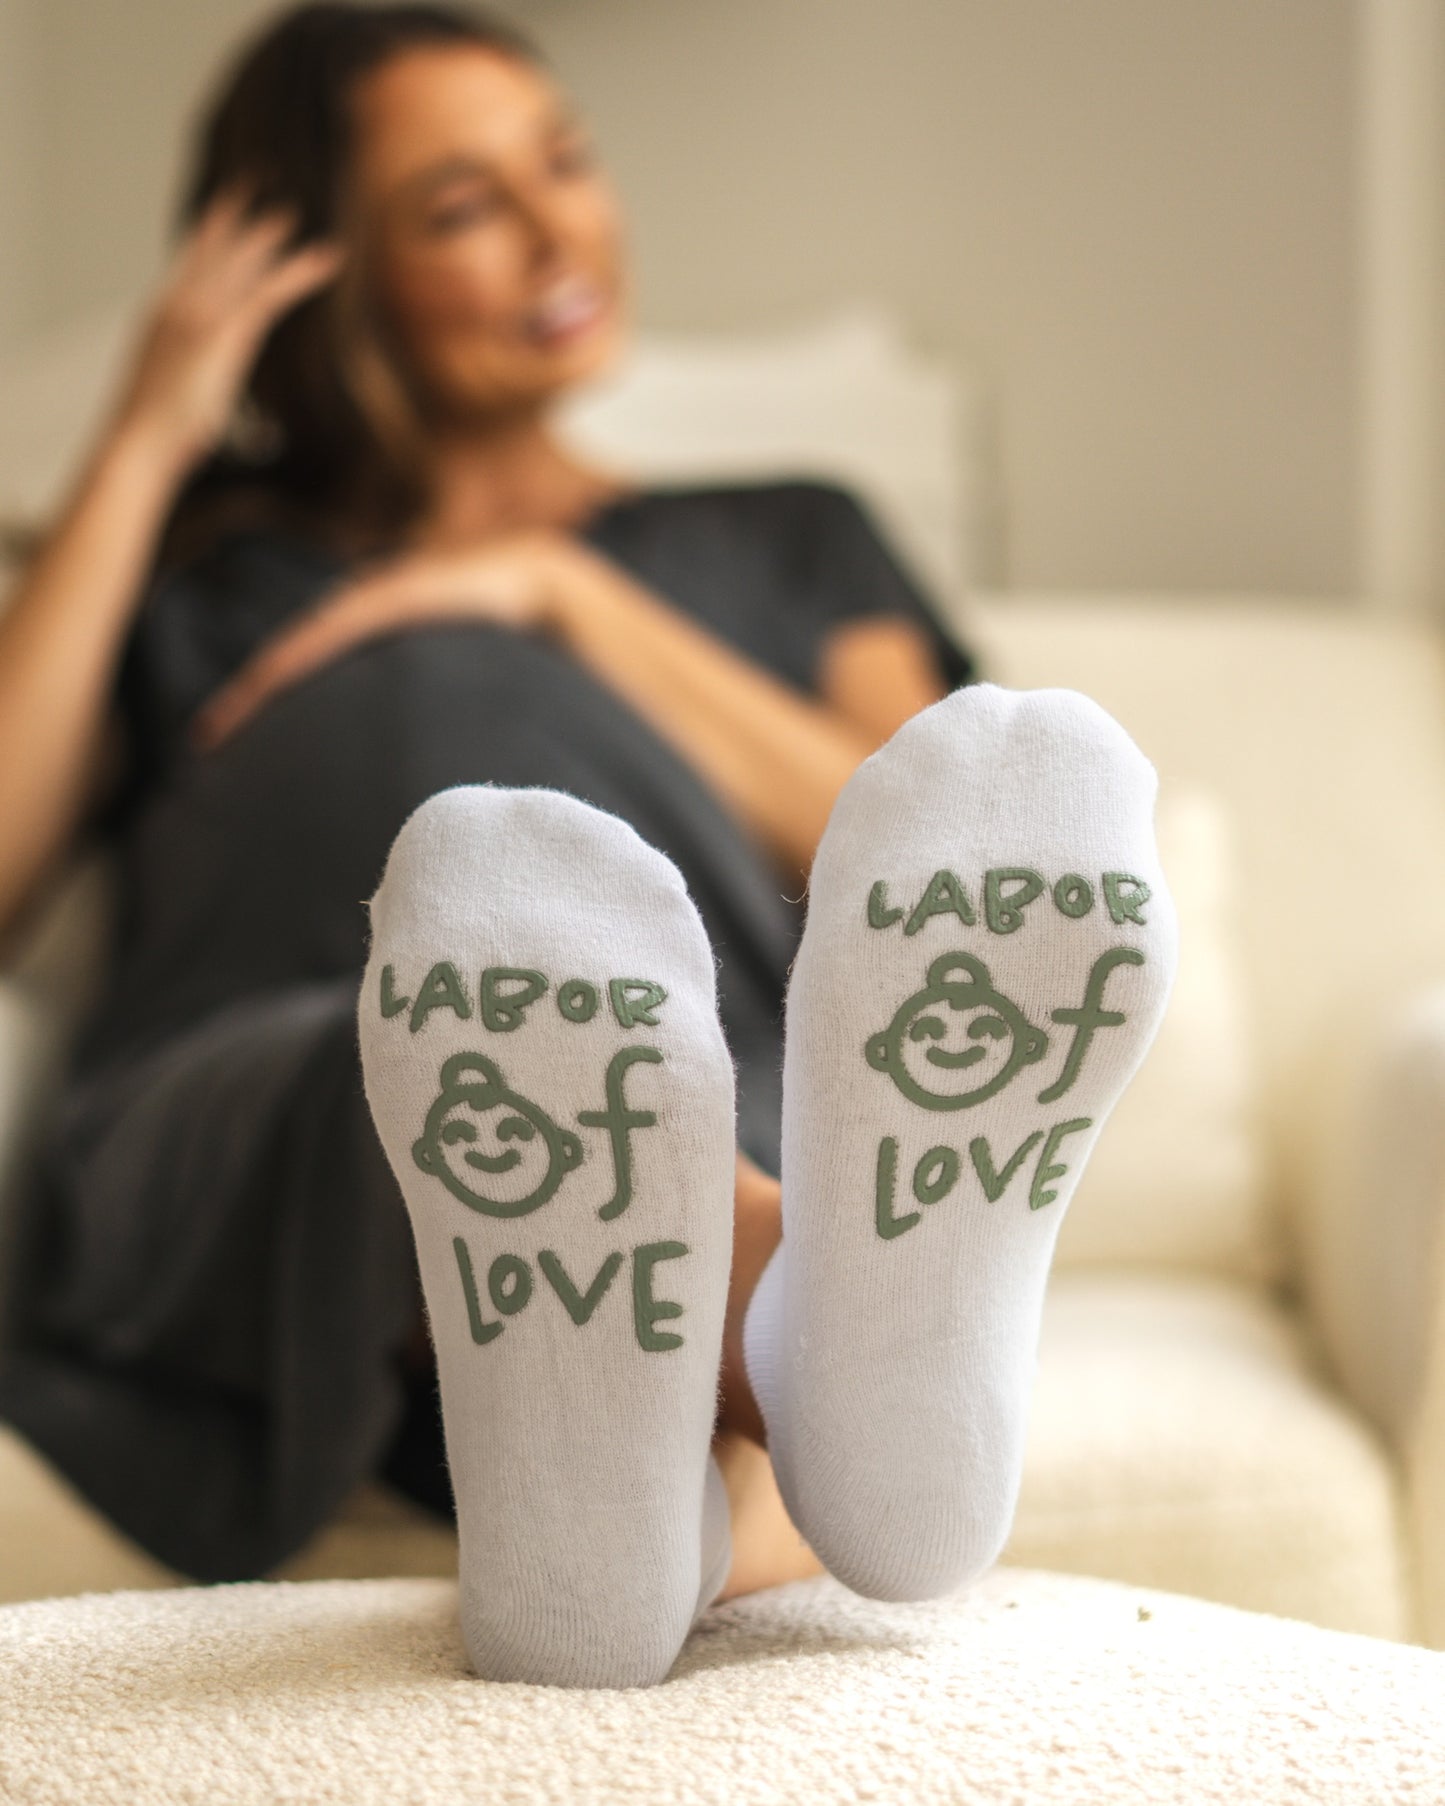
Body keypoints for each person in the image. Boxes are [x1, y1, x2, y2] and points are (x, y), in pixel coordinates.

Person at [0, 3, 1179, 1691]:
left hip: (715, 1054)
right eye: (463, 206)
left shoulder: (788, 530)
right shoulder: (199, 571)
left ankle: (638, 1530)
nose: (559, 232)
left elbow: (925, 837)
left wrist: (558, 595)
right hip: (248, 1094)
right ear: (323, 276)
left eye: (563, 162)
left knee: (630, 1099)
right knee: (466, 1045)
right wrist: (142, 437)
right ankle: (841, 1358)